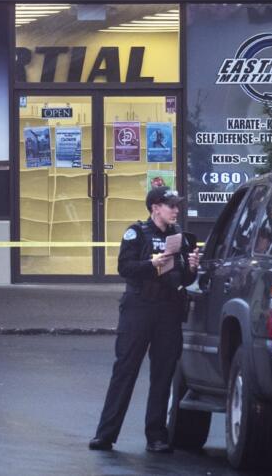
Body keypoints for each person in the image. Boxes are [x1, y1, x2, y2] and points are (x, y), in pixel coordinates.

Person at [90, 186, 200, 454]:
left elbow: (184, 279)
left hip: (168, 310)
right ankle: (105, 435)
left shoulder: (181, 238)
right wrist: (152, 264)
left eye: (177, 205)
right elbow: (124, 268)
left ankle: (156, 436)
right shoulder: (137, 233)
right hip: (139, 308)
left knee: (163, 375)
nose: (176, 210)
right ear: (155, 208)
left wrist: (192, 267)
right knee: (125, 371)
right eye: (170, 205)